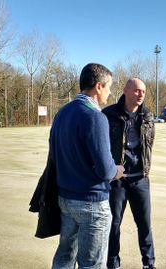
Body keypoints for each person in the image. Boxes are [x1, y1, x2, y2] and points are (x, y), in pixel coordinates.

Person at [49, 63, 125, 269]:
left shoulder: (62, 113)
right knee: (91, 264)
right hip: (91, 202)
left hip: (65, 199)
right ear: (98, 87)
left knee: (64, 259)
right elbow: (105, 169)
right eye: (108, 87)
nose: (110, 92)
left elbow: (54, 156)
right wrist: (117, 171)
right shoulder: (95, 117)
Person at [102, 78, 156, 269]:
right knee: (113, 225)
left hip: (140, 179)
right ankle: (113, 263)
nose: (141, 94)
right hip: (117, 180)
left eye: (143, 91)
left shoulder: (148, 115)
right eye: (136, 91)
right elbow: (102, 146)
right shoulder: (108, 114)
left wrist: (145, 168)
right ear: (125, 90)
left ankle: (149, 263)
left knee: (145, 225)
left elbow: (148, 145)